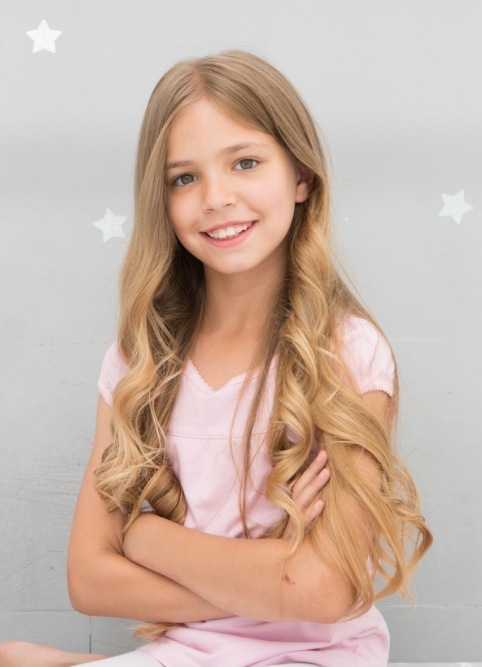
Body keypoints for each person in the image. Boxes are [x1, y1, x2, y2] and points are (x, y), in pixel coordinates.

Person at [0, 50, 432, 667]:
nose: (216, 198)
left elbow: (325, 590)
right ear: (164, 200)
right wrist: (271, 583)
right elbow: (88, 580)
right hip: (190, 651)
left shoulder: (348, 353)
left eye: (246, 163)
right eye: (185, 178)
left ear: (302, 177)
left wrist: (146, 535)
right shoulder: (138, 361)